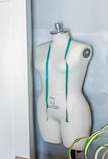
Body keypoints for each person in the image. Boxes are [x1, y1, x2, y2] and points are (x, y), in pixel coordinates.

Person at [34, 22, 92, 150]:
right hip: (45, 107)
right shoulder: (40, 49)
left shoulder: (81, 49)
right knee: (51, 149)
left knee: (75, 149)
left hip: (72, 108)